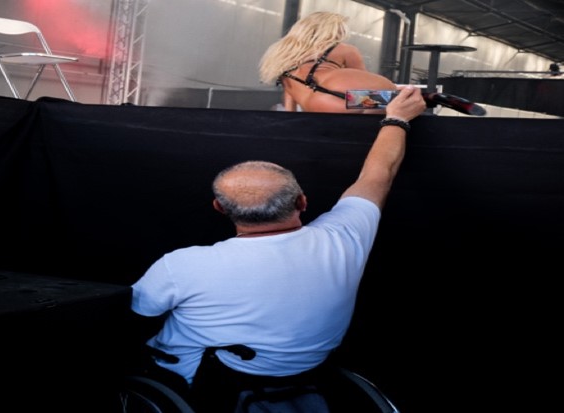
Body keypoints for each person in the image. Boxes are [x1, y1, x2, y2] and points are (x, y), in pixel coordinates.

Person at [130, 86, 426, 411]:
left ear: (218, 207)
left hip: (194, 387)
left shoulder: (181, 266)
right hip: (307, 377)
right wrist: (397, 118)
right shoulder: (345, 237)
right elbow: (379, 174)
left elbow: (136, 314)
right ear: (302, 201)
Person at [259, 11, 397, 114]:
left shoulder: (284, 53)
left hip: (313, 105)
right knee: (398, 102)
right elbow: (364, 82)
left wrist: (291, 116)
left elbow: (289, 91)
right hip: (347, 100)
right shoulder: (344, 49)